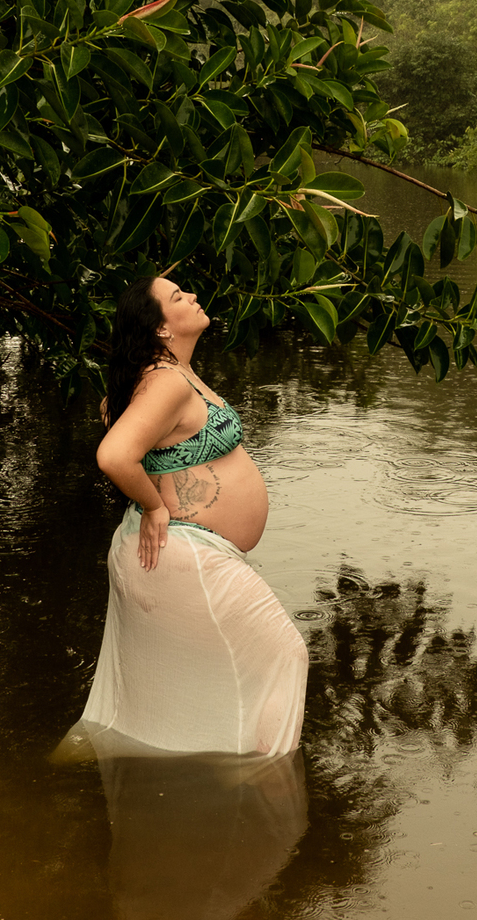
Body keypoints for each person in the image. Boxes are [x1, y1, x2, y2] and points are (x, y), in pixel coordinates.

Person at [78, 275, 308, 757]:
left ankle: (204, 784)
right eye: (179, 297)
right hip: (182, 555)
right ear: (161, 329)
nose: (195, 298)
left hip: (176, 555)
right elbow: (115, 454)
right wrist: (156, 505)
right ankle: (264, 790)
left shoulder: (166, 374)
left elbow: (112, 414)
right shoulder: (164, 381)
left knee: (170, 683)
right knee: (286, 655)